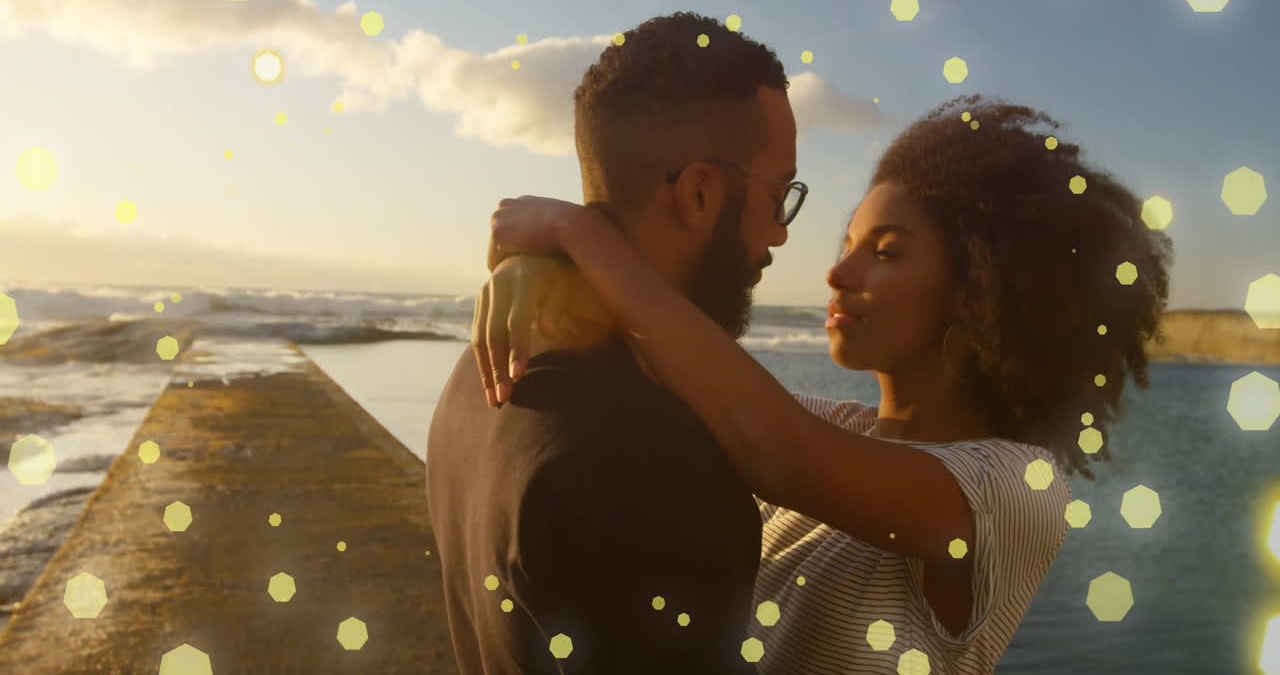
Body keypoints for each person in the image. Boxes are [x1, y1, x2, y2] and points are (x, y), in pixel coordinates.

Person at [472, 94, 1174, 673]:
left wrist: (580, 236)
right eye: (846, 245)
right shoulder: (838, 427)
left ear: (983, 293)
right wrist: (543, 273)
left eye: (887, 252)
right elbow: (678, 368)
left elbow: (775, 449)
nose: (838, 276)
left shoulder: (1018, 491)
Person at [426, 11, 798, 673]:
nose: (780, 235)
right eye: (779, 198)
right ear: (701, 195)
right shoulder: (662, 469)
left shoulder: (477, 375)